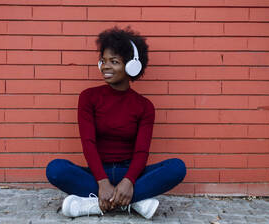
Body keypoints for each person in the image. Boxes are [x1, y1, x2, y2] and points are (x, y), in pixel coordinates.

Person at [46, 27, 186, 219]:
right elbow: (88, 143)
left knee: (177, 168)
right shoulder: (88, 97)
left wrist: (128, 181)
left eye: (114, 62)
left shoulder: (144, 106)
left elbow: (141, 152)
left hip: (131, 174)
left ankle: (95, 204)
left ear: (132, 66)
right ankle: (135, 202)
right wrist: (102, 181)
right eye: (103, 61)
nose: (105, 67)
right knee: (55, 169)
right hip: (97, 173)